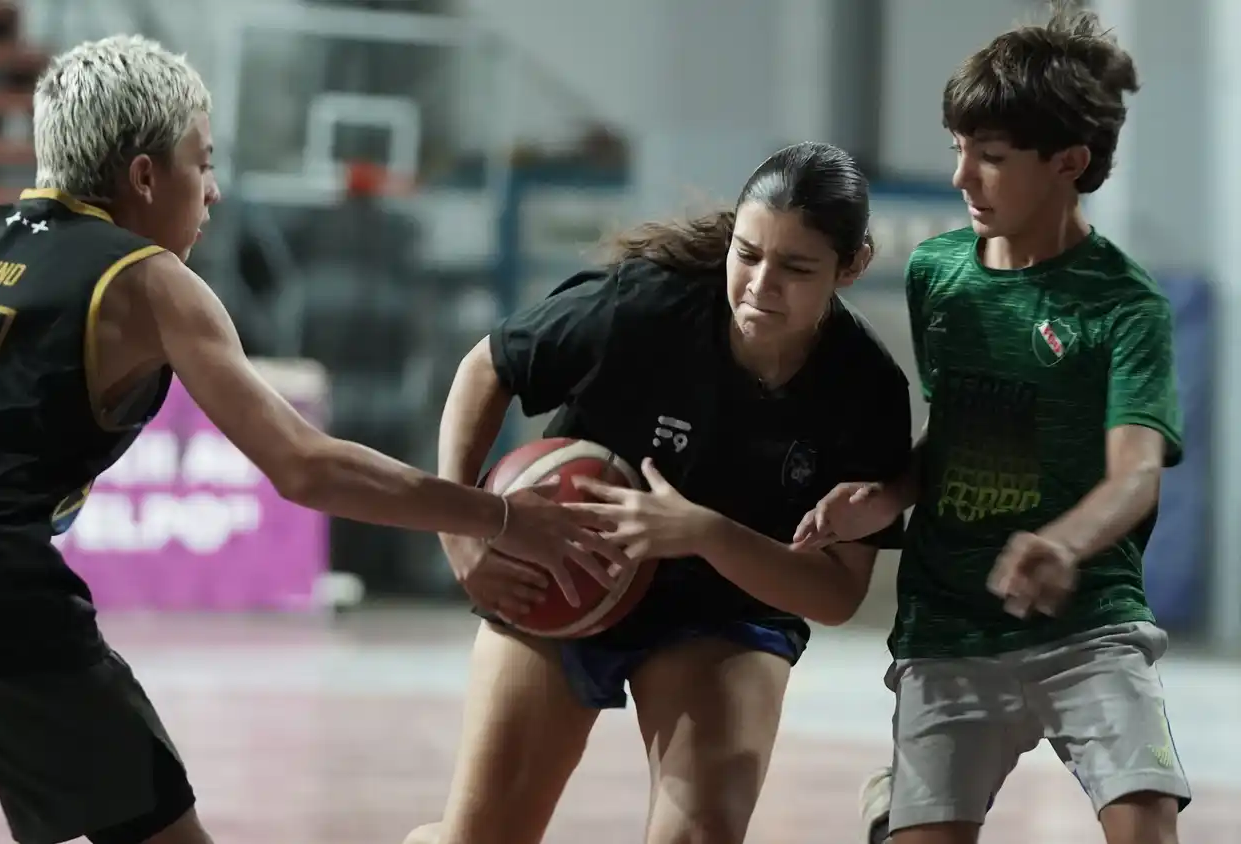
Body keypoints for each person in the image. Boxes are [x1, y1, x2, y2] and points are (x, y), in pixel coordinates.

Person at [0, 35, 623, 844]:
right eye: (202, 164)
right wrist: (497, 516)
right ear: (142, 175)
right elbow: (305, 465)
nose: (212, 191)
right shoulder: (147, 278)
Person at [401, 141, 915, 844]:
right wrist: (465, 535)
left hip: (723, 612)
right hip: (571, 566)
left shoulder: (867, 391)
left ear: (850, 268)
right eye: (748, 253)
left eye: (796, 268)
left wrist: (700, 531)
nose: (762, 284)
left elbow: (835, 595)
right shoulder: (647, 305)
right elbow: (486, 368)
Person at [793, 7, 1188, 844]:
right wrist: (890, 492)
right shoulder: (938, 275)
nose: (961, 178)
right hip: (949, 624)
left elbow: (1136, 473)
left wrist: (1062, 545)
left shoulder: (1124, 304)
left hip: (1090, 625)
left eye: (992, 158)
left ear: (1069, 164)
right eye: (956, 149)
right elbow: (964, 430)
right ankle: (898, 795)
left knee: (1146, 825)